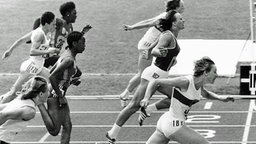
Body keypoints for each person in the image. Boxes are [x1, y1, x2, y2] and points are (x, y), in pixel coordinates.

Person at [106, 10, 185, 144]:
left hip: (161, 76)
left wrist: (171, 61)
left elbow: (148, 50)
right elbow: (154, 51)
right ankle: (112, 133)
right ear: (173, 23)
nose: (183, 20)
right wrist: (159, 53)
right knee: (133, 105)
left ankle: (148, 108)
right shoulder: (167, 36)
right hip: (153, 75)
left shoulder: (171, 35)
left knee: (179, 98)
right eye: (180, 19)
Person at [140, 57, 234, 144]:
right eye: (214, 72)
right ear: (205, 72)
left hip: (165, 121)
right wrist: (146, 98)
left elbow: (207, 94)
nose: (216, 75)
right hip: (174, 125)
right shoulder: (185, 82)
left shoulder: (198, 86)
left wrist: (222, 98)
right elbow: (155, 81)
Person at [119, 0, 184, 108]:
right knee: (142, 73)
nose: (184, 8)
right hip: (147, 46)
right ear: (176, 7)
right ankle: (125, 95)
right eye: (182, 6)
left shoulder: (171, 18)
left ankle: (144, 94)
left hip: (153, 46)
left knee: (149, 72)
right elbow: (149, 23)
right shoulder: (166, 17)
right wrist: (132, 27)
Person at [37, 31, 85, 144]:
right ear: (74, 43)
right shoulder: (69, 59)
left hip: (59, 93)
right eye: (82, 43)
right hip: (55, 96)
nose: (84, 46)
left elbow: (53, 70)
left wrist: (70, 81)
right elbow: (52, 76)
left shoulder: (66, 54)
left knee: (67, 126)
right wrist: (60, 96)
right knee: (54, 130)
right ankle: (39, 103)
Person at [1, 11, 58, 104]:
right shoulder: (39, 34)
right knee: (13, 94)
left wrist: (10, 50)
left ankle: (43, 100)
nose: (55, 26)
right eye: (53, 24)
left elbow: (21, 40)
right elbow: (32, 51)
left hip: (38, 67)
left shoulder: (41, 32)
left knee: (53, 79)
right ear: (47, 24)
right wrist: (49, 51)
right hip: (31, 68)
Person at [30, 1, 92, 86]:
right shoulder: (59, 22)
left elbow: (73, 40)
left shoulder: (70, 27)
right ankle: (57, 92)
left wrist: (83, 33)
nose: (76, 15)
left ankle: (52, 91)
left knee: (38, 79)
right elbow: (39, 19)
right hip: (48, 55)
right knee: (73, 74)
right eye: (74, 13)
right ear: (67, 14)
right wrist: (34, 35)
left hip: (52, 56)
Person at [0, 76, 49, 144]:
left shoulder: (20, 100)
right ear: (41, 94)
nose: (49, 94)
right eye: (48, 91)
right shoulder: (29, 111)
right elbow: (2, 115)